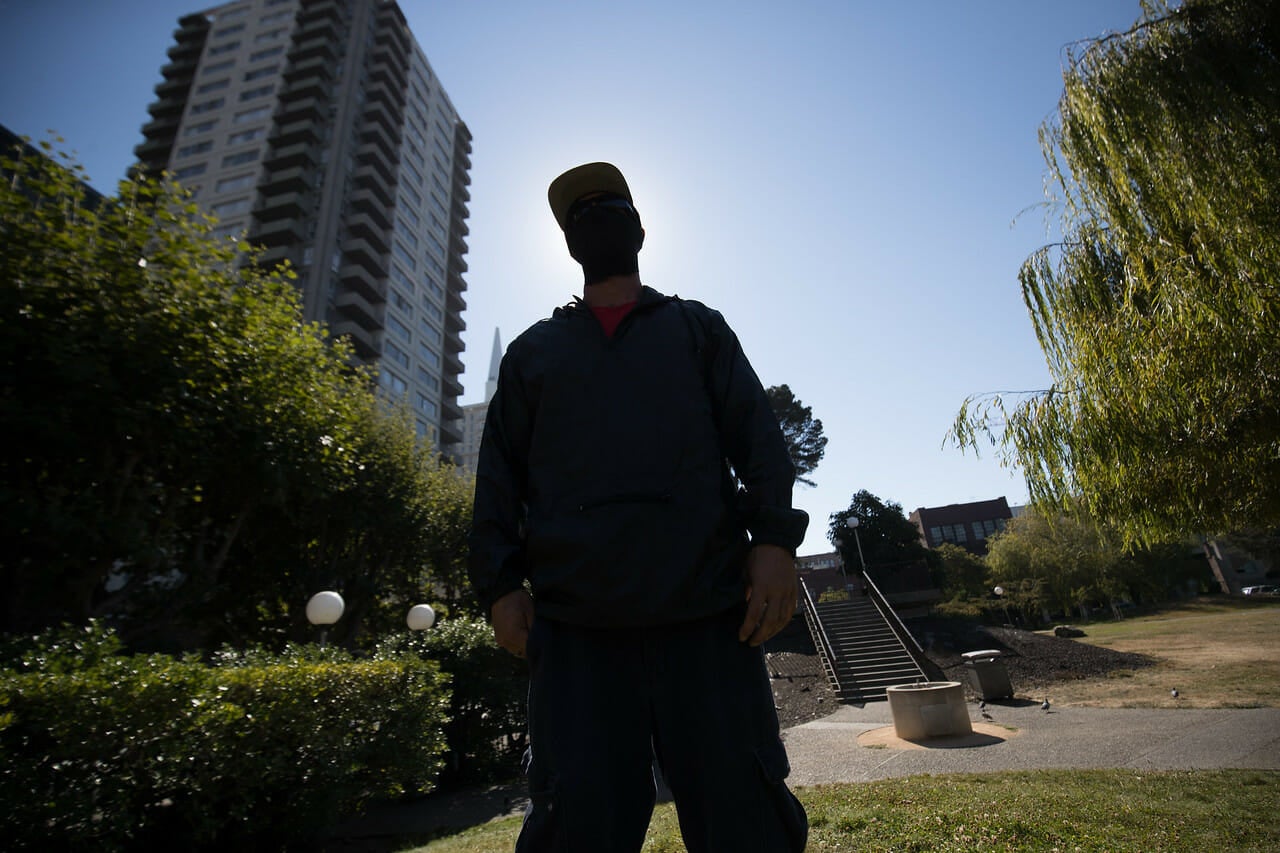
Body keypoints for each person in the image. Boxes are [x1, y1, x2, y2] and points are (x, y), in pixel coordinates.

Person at [468, 162, 809, 852]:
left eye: (610, 204)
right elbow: (496, 479)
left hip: (710, 619)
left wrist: (774, 540)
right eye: (581, 212)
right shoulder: (533, 354)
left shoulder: (697, 328)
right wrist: (500, 586)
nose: (597, 214)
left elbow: (760, 439)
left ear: (640, 231)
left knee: (745, 816)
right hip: (576, 633)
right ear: (571, 246)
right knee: (576, 825)